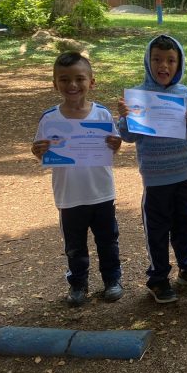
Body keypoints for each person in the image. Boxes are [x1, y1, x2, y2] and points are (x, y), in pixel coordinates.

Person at [117, 34, 187, 304]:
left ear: (179, 63)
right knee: (157, 231)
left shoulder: (184, 93)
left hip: (184, 175)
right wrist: (124, 118)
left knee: (186, 225)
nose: (163, 66)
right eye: (157, 59)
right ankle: (158, 278)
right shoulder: (138, 96)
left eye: (170, 60)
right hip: (155, 179)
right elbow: (128, 137)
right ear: (148, 61)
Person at [31, 52, 123, 306]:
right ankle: (78, 284)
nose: (72, 85)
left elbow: (113, 146)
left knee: (108, 241)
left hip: (101, 192)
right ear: (55, 84)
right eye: (64, 79)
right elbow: (41, 151)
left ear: (91, 82)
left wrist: (116, 145)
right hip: (69, 195)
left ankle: (112, 280)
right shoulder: (50, 119)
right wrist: (38, 151)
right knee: (74, 246)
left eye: (79, 79)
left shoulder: (102, 115)